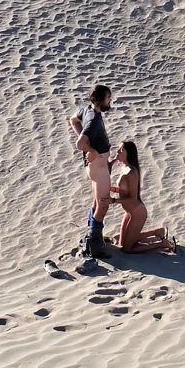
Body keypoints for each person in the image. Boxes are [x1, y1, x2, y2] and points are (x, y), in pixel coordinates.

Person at [69, 85, 114, 259]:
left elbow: (73, 120)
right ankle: (94, 244)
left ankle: (93, 236)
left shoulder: (86, 109)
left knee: (97, 203)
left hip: (95, 168)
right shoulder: (94, 120)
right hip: (99, 167)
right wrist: (90, 149)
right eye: (108, 98)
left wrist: (89, 148)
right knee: (103, 204)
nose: (110, 100)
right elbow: (80, 144)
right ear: (100, 100)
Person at [108, 141, 175, 253]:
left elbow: (132, 198)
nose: (118, 152)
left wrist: (114, 200)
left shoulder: (132, 173)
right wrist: (112, 189)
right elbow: (125, 190)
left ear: (129, 153)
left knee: (127, 249)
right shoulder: (125, 168)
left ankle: (162, 244)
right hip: (129, 212)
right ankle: (157, 232)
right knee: (121, 243)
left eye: (121, 150)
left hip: (137, 213)